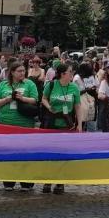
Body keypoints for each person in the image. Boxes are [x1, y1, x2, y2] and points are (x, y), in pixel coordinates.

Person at [0, 60, 39, 191]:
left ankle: (26, 181)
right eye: (19, 71)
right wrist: (8, 99)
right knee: (8, 153)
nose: (22, 73)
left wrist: (22, 99)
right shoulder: (3, 85)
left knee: (25, 153)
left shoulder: (29, 84)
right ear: (12, 72)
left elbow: (35, 100)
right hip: (5, 123)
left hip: (25, 124)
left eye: (24, 71)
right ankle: (9, 180)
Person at [41, 63, 82, 195]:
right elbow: (44, 98)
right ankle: (48, 180)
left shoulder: (74, 88)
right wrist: (48, 107)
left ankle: (60, 182)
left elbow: (77, 106)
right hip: (52, 123)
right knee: (50, 154)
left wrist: (79, 124)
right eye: (70, 71)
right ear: (63, 74)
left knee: (63, 154)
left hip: (67, 124)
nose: (72, 73)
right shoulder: (51, 85)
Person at [74, 61, 99, 132]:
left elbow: (97, 87)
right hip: (81, 103)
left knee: (92, 123)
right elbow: (76, 93)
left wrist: (94, 88)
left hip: (92, 102)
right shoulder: (77, 78)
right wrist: (86, 90)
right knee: (81, 122)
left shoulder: (93, 76)